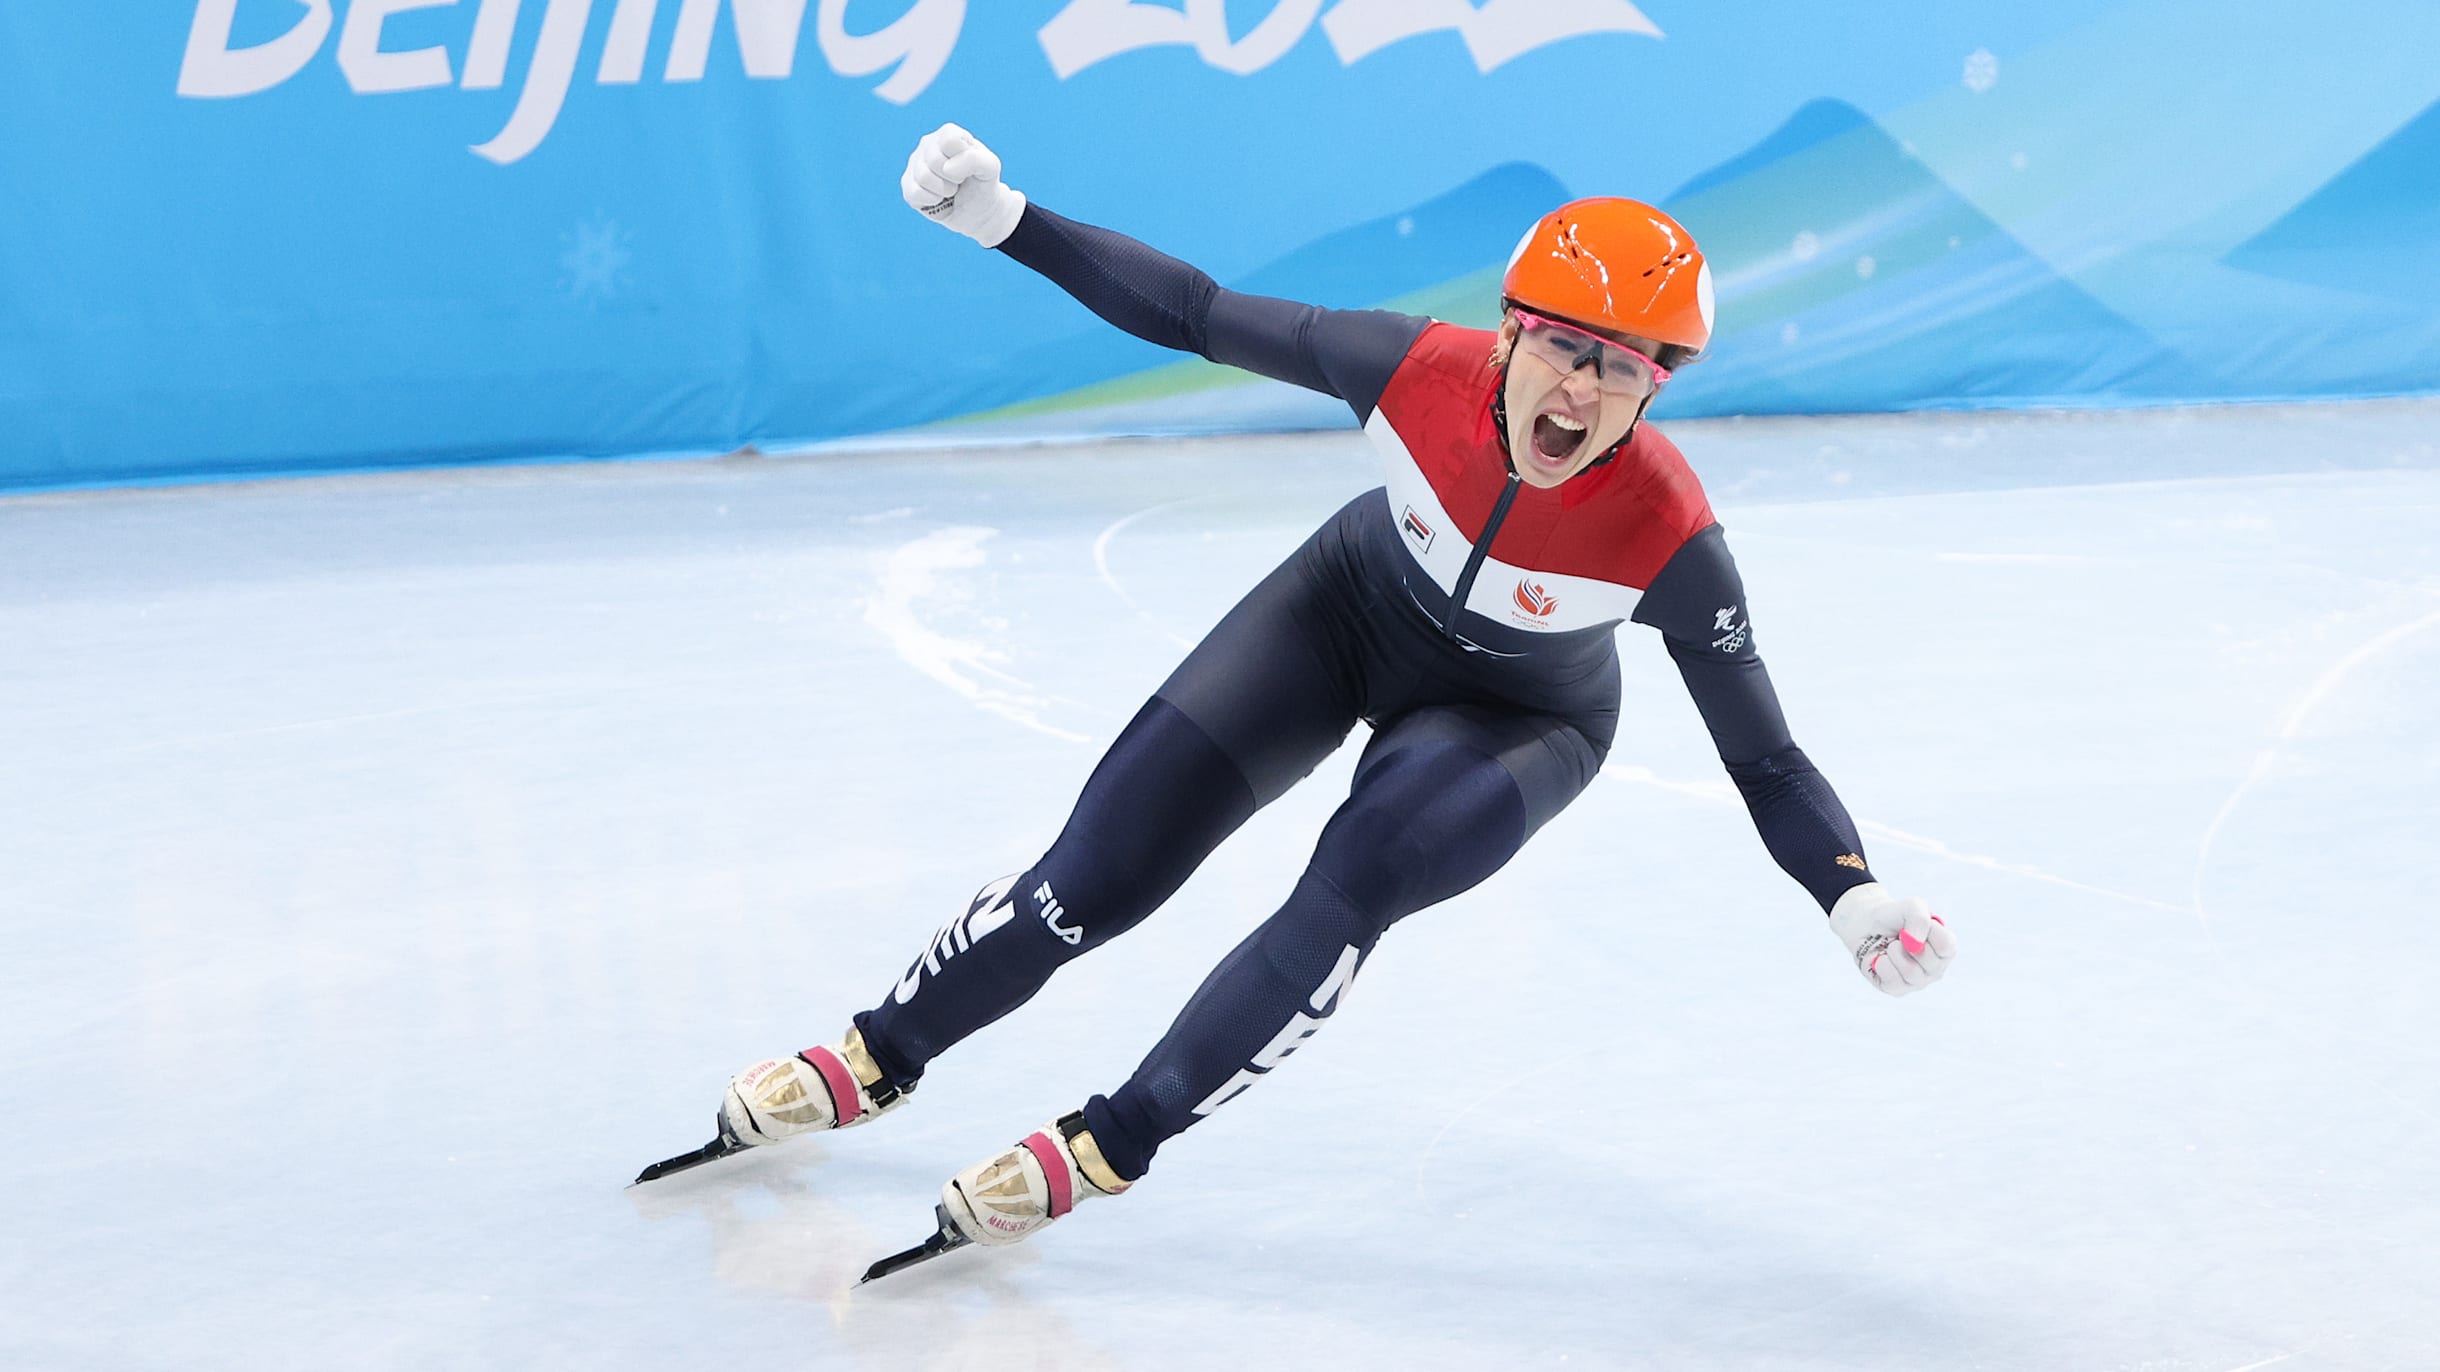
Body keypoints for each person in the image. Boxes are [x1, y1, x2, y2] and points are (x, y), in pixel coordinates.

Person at [696, 124, 1957, 1255]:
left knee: (1357, 879)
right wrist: (1007, 221)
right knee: (1088, 880)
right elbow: (1195, 310)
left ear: (1654, 389)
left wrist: (1845, 891)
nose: (1579, 391)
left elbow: (1768, 761)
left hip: (1520, 721)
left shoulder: (1669, 531)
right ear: (1512, 333)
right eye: (1565, 350)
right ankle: (876, 1052)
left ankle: (1109, 1143)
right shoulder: (1411, 368)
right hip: (1346, 612)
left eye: (1621, 370)